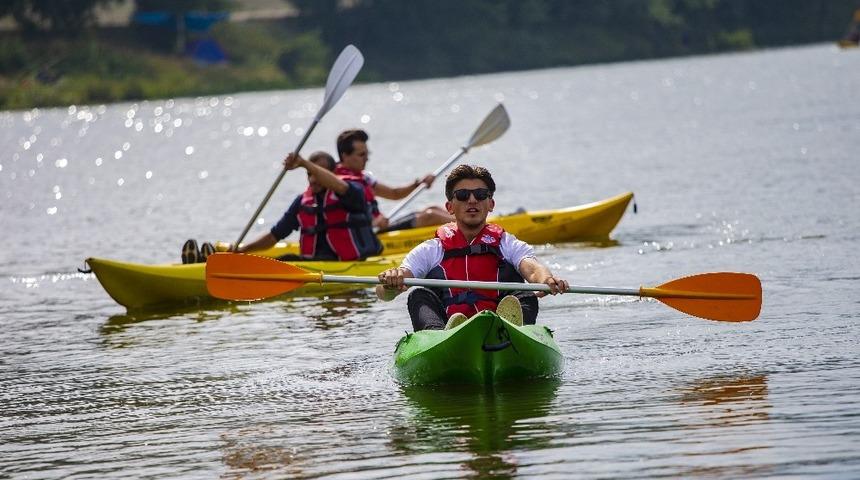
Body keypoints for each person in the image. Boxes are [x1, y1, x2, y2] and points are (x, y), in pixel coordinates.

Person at [376, 164, 569, 331]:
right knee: (419, 294)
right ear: (450, 207)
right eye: (462, 195)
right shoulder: (430, 250)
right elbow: (383, 293)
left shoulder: (507, 243)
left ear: (490, 203)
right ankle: (438, 335)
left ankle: (511, 330)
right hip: (447, 332)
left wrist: (547, 279)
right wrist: (391, 283)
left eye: (480, 194)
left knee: (524, 294)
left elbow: (532, 267)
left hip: (500, 329)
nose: (472, 200)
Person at [181, 151, 382, 263]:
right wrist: (243, 250)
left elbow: (338, 185)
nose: (313, 179)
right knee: (284, 258)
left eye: (316, 174)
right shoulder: (303, 201)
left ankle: (212, 266)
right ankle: (207, 263)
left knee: (285, 259)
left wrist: (304, 163)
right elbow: (274, 235)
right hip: (314, 262)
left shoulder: (352, 192)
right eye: (309, 175)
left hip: (345, 263)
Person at [335, 129, 454, 231]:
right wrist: (372, 223)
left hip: (382, 226)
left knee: (433, 208)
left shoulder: (364, 178)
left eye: (367, 154)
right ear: (345, 156)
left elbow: (394, 194)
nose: (367, 159)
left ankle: (467, 224)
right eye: (361, 155)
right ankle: (469, 228)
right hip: (370, 233)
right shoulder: (338, 184)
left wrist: (418, 183)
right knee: (430, 216)